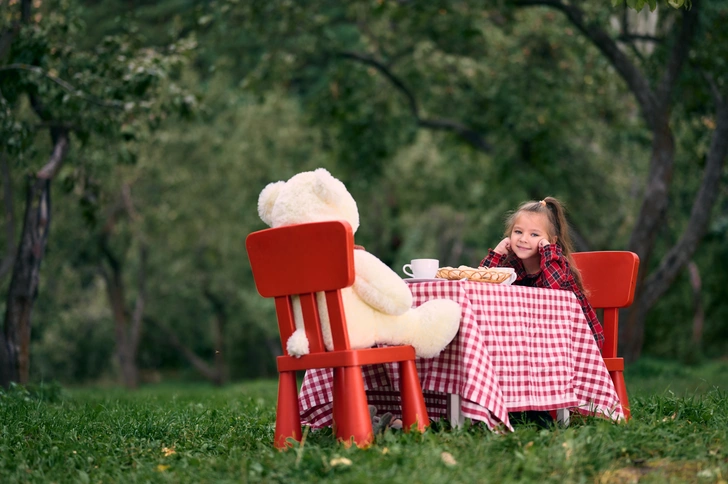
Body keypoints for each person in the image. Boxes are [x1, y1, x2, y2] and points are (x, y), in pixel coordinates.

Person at [479, 197, 605, 350]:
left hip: (576, 343)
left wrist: (548, 250)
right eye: (518, 232)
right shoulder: (513, 266)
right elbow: (481, 283)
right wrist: (497, 254)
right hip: (538, 342)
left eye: (534, 235)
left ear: (551, 241)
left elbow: (552, 291)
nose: (523, 239)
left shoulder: (557, 265)